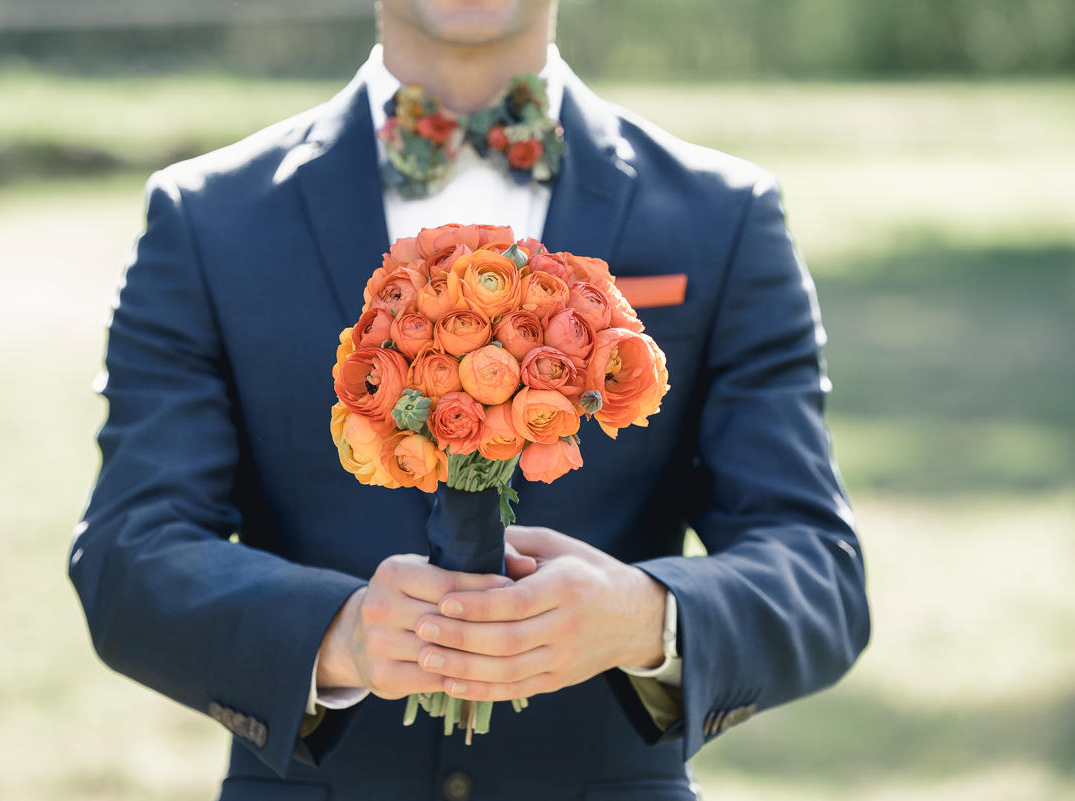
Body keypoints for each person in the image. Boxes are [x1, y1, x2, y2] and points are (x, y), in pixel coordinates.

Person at [68, 1, 871, 799]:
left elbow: (818, 569)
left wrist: (643, 615)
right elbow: (129, 552)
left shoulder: (724, 215)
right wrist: (335, 638)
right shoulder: (207, 219)